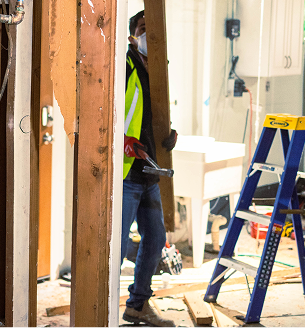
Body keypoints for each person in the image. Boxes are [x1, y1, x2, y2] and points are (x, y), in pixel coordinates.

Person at [121, 10, 177, 328]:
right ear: (133, 36)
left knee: (155, 239)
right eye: (142, 29)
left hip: (151, 172)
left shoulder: (158, 70)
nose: (147, 35)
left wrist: (168, 136)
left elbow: (154, 116)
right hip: (127, 172)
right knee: (114, 248)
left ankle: (137, 306)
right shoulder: (125, 65)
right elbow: (109, 113)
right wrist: (123, 141)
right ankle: (97, 309)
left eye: (151, 30)